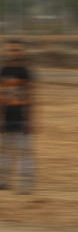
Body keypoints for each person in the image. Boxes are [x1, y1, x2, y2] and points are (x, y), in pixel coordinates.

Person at [0, 39, 36, 193]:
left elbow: (33, 97)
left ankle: (26, 185)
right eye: (11, 50)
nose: (13, 53)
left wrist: (32, 119)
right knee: (4, 151)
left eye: (16, 50)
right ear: (6, 52)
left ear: (22, 52)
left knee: (24, 152)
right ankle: (3, 181)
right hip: (6, 117)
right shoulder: (3, 72)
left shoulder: (26, 72)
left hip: (22, 117)